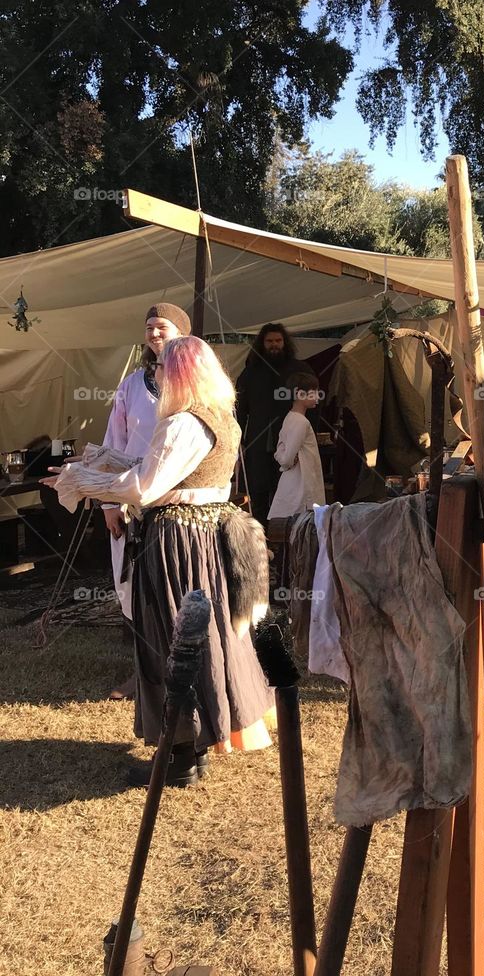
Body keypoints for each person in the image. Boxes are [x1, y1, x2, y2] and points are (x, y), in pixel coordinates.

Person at [45, 336, 273, 788]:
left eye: (166, 371)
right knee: (202, 639)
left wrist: (80, 480)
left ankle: (181, 756)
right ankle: (195, 747)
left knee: (170, 640)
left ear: (182, 375)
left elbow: (143, 488)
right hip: (203, 540)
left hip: (175, 544)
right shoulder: (221, 419)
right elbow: (167, 470)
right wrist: (104, 459)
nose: (160, 378)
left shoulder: (183, 424)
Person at [102, 302, 190, 700]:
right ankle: (144, 674)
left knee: (178, 589)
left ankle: (185, 675)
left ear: (182, 334)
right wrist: (108, 504)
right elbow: (113, 445)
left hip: (182, 505)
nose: (154, 333)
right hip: (133, 500)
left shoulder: (195, 384)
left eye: (162, 327)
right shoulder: (131, 386)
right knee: (134, 589)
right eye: (149, 327)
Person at [236, 323, 313, 526]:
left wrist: (304, 443)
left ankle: (287, 541)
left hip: (291, 442)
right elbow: (239, 409)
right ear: (262, 344)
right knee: (258, 493)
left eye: (278, 341)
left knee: (289, 494)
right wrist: (239, 441)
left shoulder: (300, 370)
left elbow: (313, 406)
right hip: (258, 441)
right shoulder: (250, 373)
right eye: (269, 341)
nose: (274, 345)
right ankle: (261, 541)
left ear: (284, 342)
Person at [269, 371, 326, 519]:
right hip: (301, 480)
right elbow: (287, 456)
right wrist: (285, 463)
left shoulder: (291, 417)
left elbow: (280, 449)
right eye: (313, 393)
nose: (317, 397)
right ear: (300, 395)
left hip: (297, 476)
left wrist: (284, 461)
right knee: (301, 519)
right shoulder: (301, 422)